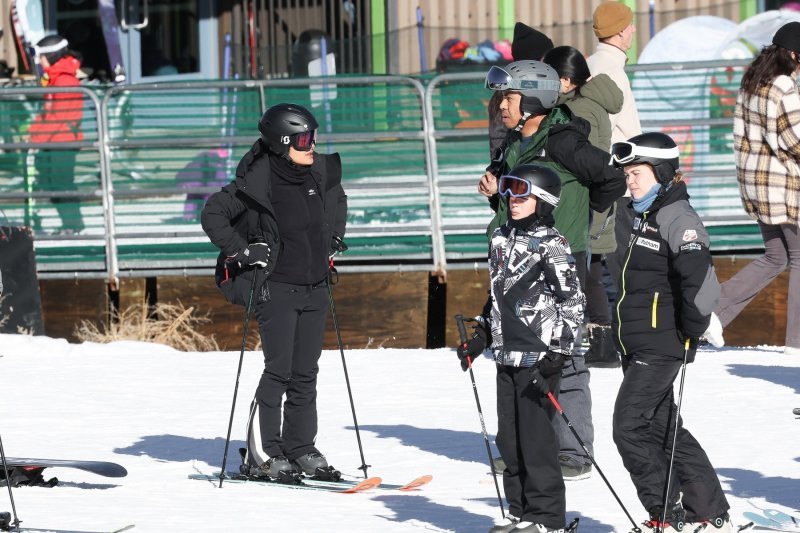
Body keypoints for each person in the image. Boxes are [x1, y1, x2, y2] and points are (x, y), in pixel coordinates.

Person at [478, 60, 624, 481]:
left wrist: (580, 220)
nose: (501, 105)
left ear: (534, 98)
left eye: (508, 96)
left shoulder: (561, 141)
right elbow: (517, 194)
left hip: (561, 257)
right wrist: (495, 190)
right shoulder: (515, 140)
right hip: (515, 258)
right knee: (516, 352)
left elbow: (610, 178)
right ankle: (525, 448)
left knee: (565, 354)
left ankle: (573, 453)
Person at [201, 103, 348, 480]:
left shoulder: (317, 173)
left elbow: (336, 199)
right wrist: (241, 251)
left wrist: (334, 237)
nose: (311, 144)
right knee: (279, 371)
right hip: (277, 288)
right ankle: (264, 451)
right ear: (283, 143)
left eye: (313, 136)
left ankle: (301, 447)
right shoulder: (258, 180)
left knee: (306, 373)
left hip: (315, 287)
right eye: (303, 138)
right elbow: (212, 213)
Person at [610, 132, 731, 533]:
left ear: (662, 173)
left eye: (638, 172)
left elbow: (700, 283)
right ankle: (708, 508)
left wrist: (691, 332)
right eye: (627, 173)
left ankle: (666, 511)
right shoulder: (635, 211)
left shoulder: (678, 218)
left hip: (661, 344)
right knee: (663, 428)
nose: (631, 180)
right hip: (636, 340)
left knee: (628, 427)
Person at [459, 164, 584, 533]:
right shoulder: (499, 238)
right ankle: (520, 511)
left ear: (543, 200)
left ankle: (546, 518)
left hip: (538, 358)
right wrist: (481, 336)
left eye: (522, 194)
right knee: (510, 442)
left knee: (536, 441)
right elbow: (498, 296)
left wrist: (558, 355)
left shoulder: (552, 244)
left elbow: (572, 302)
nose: (512, 200)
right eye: (509, 192)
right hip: (506, 354)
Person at [714, 21, 800, 355]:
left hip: (758, 186)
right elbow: (794, 139)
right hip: (783, 187)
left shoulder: (753, 81)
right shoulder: (784, 87)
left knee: (776, 257)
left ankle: (713, 312)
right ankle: (796, 343)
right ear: (793, 54)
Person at [543, 45, 623, 368]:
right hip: (589, 201)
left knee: (589, 273)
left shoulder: (581, 108)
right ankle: (600, 341)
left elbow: (586, 160)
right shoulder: (582, 101)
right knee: (591, 270)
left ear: (565, 80)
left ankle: (602, 343)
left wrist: (590, 203)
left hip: (587, 201)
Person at [586, 1, 643, 322]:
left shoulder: (591, 64)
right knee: (622, 257)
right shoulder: (613, 72)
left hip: (590, 176)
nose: (634, 29)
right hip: (616, 180)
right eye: (631, 25)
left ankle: (597, 322)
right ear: (621, 32)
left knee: (593, 258)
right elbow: (630, 131)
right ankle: (625, 326)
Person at [28, 34, 85, 234]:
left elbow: (60, 117)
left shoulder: (64, 81)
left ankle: (73, 225)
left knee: (62, 184)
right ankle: (69, 224)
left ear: (51, 56)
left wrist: (37, 138)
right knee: (53, 185)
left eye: (41, 57)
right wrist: (33, 133)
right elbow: (46, 114)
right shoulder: (53, 79)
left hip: (63, 142)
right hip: (53, 140)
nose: (39, 62)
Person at [488, 23, 554, 159]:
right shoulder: (504, 96)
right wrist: (498, 170)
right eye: (547, 57)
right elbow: (498, 144)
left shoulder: (545, 89)